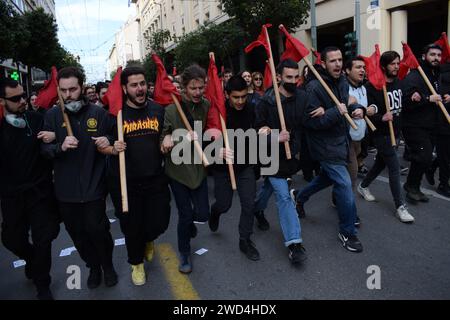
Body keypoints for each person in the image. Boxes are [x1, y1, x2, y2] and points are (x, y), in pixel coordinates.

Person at [41, 67, 118, 289]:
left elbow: (114, 136)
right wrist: (59, 146)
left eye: (73, 89)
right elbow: (44, 151)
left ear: (82, 87)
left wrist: (107, 139)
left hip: (94, 186)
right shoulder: (52, 116)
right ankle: (92, 266)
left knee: (97, 229)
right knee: (78, 235)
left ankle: (107, 265)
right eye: (63, 90)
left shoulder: (98, 114)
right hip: (66, 192)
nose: (68, 95)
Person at [101, 66, 171, 286]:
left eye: (142, 83)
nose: (140, 89)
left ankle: (149, 238)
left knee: (159, 222)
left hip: (155, 178)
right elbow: (101, 145)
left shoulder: (158, 110)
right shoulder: (114, 115)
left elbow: (165, 135)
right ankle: (136, 264)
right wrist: (112, 147)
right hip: (125, 182)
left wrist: (166, 140)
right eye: (134, 85)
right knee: (132, 228)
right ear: (124, 88)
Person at [292, 47, 364, 253]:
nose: (338, 64)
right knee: (344, 182)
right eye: (332, 61)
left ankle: (299, 197)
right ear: (322, 63)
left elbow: (344, 105)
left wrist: (353, 109)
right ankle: (347, 231)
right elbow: (310, 123)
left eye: (340, 60)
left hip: (342, 141)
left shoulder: (342, 80)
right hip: (324, 146)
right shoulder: (313, 88)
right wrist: (335, 112)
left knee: (326, 178)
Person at [0, 79, 60, 300]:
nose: (23, 101)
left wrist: (54, 139)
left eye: (23, 95)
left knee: (44, 239)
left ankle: (42, 283)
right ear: (2, 101)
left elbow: (51, 146)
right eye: (15, 99)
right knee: (11, 239)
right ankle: (31, 258)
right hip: (12, 197)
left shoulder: (36, 119)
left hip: (40, 193)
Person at [253, 59, 307, 266]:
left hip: (291, 155)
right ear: (278, 78)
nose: (293, 81)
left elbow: (308, 120)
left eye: (296, 77)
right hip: (271, 156)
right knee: (284, 196)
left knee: (270, 187)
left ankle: (257, 208)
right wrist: (273, 135)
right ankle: (294, 243)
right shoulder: (266, 101)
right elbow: (259, 130)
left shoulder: (302, 97)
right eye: (289, 77)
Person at [160, 64, 210, 274]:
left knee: (203, 214)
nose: (198, 92)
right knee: (185, 215)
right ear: (183, 88)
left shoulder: (206, 105)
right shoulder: (171, 109)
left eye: (201, 88)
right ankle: (184, 253)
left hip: (198, 168)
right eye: (193, 88)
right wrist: (169, 137)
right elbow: (163, 140)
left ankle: (190, 224)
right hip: (178, 171)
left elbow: (212, 126)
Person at [358, 51, 415, 223]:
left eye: (398, 63)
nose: (397, 67)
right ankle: (400, 206)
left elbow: (402, 102)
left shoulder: (399, 82)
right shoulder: (372, 86)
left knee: (380, 163)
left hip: (395, 132)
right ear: (383, 66)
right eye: (393, 64)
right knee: (394, 167)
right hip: (381, 133)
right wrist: (380, 117)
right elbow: (365, 112)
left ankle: (363, 186)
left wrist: (413, 97)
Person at [208, 75, 260, 261]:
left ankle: (245, 239)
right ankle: (215, 212)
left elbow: (259, 126)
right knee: (225, 204)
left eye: (243, 96)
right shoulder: (217, 112)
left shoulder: (252, 108)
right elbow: (205, 139)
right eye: (235, 97)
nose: (240, 101)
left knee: (249, 203)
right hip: (223, 168)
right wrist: (216, 149)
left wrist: (264, 130)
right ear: (227, 94)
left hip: (245, 165)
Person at [402, 44, 442, 203]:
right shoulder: (415, 76)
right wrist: (427, 99)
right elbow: (407, 101)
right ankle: (411, 187)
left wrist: (441, 97)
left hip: (430, 124)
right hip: (414, 125)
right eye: (432, 54)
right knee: (425, 157)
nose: (436, 58)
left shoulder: (434, 74)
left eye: (438, 55)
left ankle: (413, 187)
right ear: (425, 56)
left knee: (421, 158)